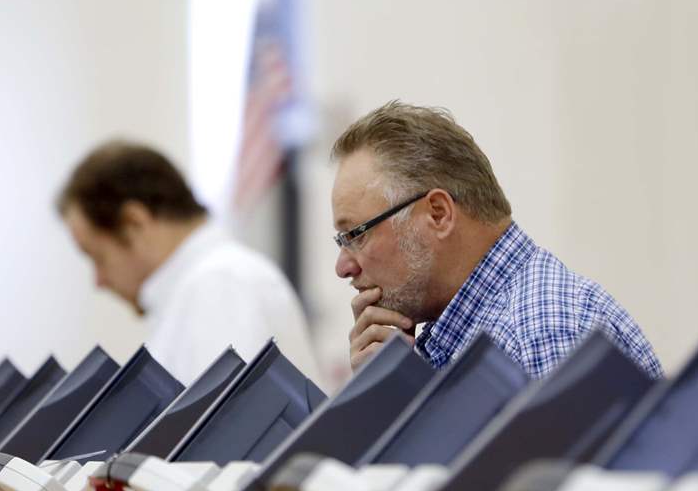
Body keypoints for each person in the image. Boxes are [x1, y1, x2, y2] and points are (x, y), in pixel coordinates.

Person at [331, 101, 662, 379]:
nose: (343, 267)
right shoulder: (481, 337)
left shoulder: (539, 333)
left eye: (356, 234)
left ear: (438, 214)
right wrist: (388, 395)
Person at [57, 140, 321, 386]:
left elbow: (227, 420)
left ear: (134, 223)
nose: (99, 281)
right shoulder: (203, 286)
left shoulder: (219, 284)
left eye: (98, 257)